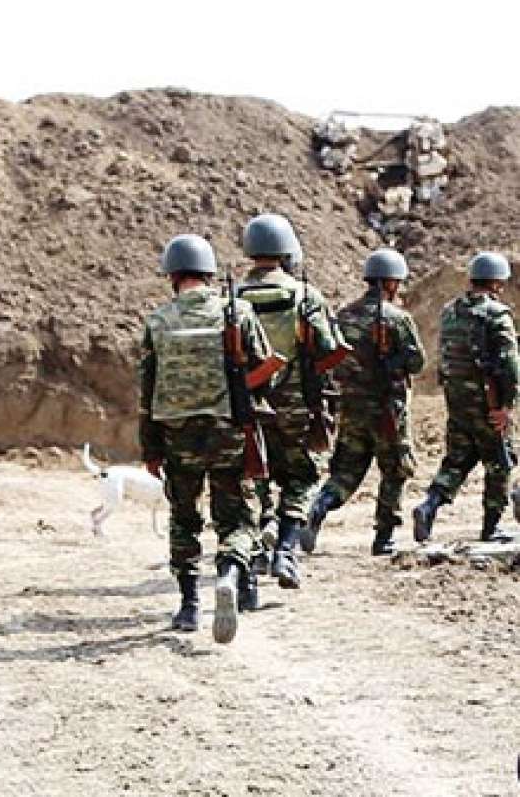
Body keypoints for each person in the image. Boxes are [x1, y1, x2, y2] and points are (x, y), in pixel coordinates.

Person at [139, 234, 273, 644]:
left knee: (184, 519)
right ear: (210, 273)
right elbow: (265, 373)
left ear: (173, 276)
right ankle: (229, 575)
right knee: (237, 518)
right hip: (227, 432)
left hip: (177, 436)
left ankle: (188, 605)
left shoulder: (158, 322)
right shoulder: (238, 313)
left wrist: (150, 448)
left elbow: (147, 392)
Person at [232, 214, 340, 587]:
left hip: (250, 403)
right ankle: (286, 550)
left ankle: (263, 532)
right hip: (296, 405)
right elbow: (328, 350)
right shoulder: (305, 296)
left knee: (257, 472)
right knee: (303, 477)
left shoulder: (232, 299)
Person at [301, 249, 425, 555]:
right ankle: (384, 537)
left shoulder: (344, 315)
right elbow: (417, 363)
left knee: (346, 470)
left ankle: (318, 508)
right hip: (387, 410)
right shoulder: (397, 318)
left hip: (351, 408)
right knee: (395, 470)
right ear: (391, 282)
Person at [412, 251, 520, 544]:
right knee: (500, 462)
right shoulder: (496, 314)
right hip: (487, 402)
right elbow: (510, 364)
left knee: (457, 459)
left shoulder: (450, 311)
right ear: (496, 282)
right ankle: (491, 527)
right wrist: (506, 406)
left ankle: (429, 506)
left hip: (457, 400)